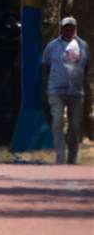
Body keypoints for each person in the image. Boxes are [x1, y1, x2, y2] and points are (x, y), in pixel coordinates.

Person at [42, 16, 87, 165]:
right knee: (57, 122)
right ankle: (60, 157)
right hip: (56, 91)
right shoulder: (52, 46)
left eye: (71, 27)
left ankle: (72, 158)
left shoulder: (83, 46)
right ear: (61, 28)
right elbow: (46, 66)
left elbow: (85, 67)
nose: (69, 30)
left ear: (76, 28)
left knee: (74, 127)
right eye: (66, 27)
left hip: (76, 92)